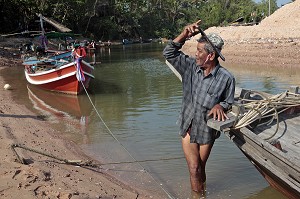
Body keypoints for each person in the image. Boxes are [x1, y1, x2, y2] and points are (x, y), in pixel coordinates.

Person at [163, 20, 235, 197]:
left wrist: (221, 105)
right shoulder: (189, 67)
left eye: (199, 51)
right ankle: (198, 196)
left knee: (200, 168)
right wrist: (184, 35)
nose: (195, 54)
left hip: (207, 131)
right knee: (194, 168)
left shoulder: (227, 78)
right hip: (188, 126)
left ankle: (200, 192)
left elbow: (229, 102)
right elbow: (168, 53)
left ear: (210, 56)